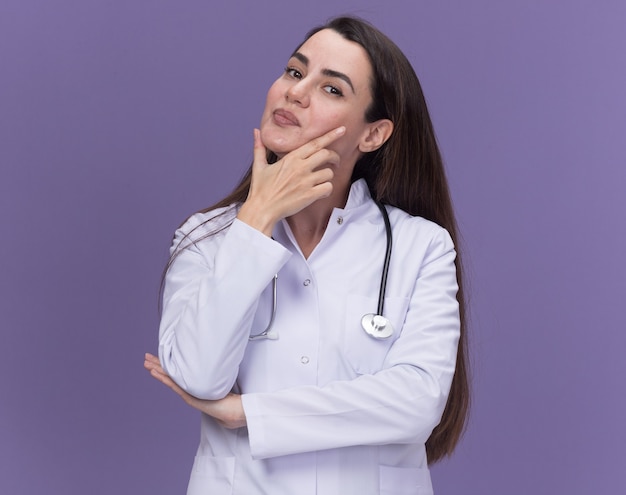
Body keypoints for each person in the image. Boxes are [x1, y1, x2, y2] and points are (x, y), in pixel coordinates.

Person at [144, 15, 469, 495]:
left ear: (373, 135)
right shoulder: (206, 237)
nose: (296, 92)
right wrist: (257, 218)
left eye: (332, 89)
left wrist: (251, 414)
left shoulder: (421, 247)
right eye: (296, 73)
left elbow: (417, 402)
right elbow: (198, 375)